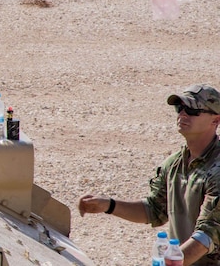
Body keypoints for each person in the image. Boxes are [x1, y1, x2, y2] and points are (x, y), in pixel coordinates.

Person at [78, 84, 220, 265]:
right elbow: (154, 210)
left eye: (192, 110)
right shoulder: (175, 163)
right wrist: (109, 205)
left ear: (215, 120)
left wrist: (171, 262)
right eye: (180, 108)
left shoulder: (217, 170)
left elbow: (209, 234)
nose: (182, 114)